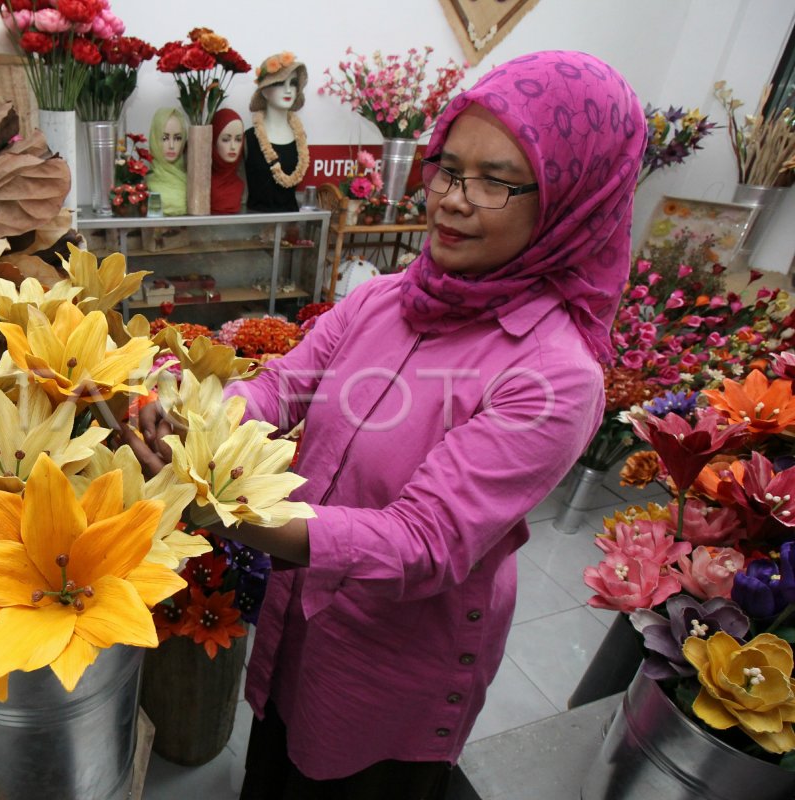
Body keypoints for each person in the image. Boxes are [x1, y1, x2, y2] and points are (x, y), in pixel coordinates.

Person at [125, 50, 647, 799]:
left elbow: (422, 541)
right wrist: (190, 418)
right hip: (301, 613)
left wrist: (232, 512)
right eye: (447, 169)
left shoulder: (554, 376)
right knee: (275, 761)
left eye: (496, 180)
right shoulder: (386, 299)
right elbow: (281, 387)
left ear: (571, 201)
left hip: (393, 653)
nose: (453, 201)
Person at [244, 52, 310, 213]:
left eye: (293, 83)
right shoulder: (248, 138)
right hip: (255, 222)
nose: (288, 90)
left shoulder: (300, 138)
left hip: (291, 223)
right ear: (265, 91)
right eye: (280, 83)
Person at [145, 107, 188, 216]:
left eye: (177, 138)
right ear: (154, 139)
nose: (171, 145)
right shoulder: (147, 185)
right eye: (164, 138)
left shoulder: (191, 181)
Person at [211, 108, 246, 215]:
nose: (233, 147)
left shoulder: (240, 184)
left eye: (238, 139)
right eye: (226, 139)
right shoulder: (203, 185)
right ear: (213, 140)